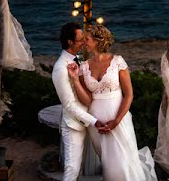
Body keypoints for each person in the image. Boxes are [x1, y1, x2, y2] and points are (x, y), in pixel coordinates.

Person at [68, 23, 157, 181]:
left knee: (124, 162)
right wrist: (75, 80)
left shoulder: (118, 62)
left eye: (87, 39)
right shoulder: (83, 66)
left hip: (119, 119)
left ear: (97, 41)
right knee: (109, 164)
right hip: (97, 123)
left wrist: (116, 121)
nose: (83, 42)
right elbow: (87, 99)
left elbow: (129, 94)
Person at [52, 22, 107, 181]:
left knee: (81, 165)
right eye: (80, 40)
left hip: (87, 119)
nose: (84, 42)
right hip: (74, 124)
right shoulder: (60, 69)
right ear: (70, 42)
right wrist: (94, 121)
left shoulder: (78, 59)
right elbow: (69, 105)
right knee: (72, 168)